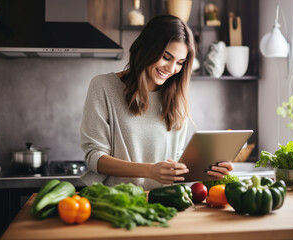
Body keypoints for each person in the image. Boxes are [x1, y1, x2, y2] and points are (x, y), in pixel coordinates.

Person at [80, 15, 234, 190]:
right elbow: (94, 158)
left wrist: (209, 170)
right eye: (166, 57)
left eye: (179, 63)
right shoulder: (103, 86)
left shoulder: (177, 99)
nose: (171, 69)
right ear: (147, 48)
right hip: (115, 200)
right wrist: (150, 170)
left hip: (162, 201)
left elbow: (175, 164)